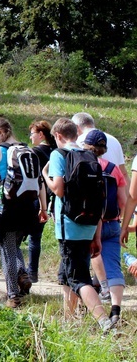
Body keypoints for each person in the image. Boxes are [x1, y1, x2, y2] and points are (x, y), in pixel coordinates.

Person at [42, 118, 115, 333]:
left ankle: (103, 321)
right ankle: (69, 318)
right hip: (89, 224)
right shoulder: (90, 155)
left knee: (78, 278)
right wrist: (97, 236)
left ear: (58, 136)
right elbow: (99, 199)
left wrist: (45, 174)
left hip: (69, 226)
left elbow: (59, 189)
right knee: (66, 274)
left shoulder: (59, 154)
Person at [0, 117, 47, 308]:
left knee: (7, 250)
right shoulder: (29, 150)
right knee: (14, 245)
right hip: (28, 207)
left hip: (6, 208)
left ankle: (13, 295)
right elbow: (40, 182)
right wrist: (43, 208)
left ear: (2, 132)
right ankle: (22, 274)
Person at [82, 129, 127, 325]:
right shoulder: (113, 168)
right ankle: (115, 309)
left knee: (82, 264)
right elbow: (123, 200)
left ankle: (86, 309)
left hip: (89, 225)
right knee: (114, 267)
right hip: (113, 222)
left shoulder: (82, 166)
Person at [28, 119, 57, 282]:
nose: (30, 137)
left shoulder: (35, 152)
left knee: (33, 237)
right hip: (54, 196)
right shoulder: (56, 150)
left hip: (39, 198)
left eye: (32, 134)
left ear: (40, 135)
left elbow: (34, 177)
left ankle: (31, 272)